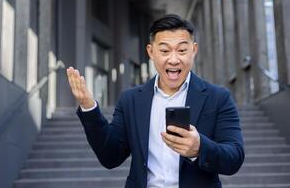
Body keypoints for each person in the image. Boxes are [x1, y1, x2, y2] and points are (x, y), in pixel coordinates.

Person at [66, 14, 244, 188]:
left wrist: (199, 148)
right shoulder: (131, 100)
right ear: (151, 52)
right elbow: (110, 157)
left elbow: (234, 157)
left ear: (194, 50)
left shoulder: (218, 97)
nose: (173, 59)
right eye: (165, 51)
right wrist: (89, 107)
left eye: (182, 50)